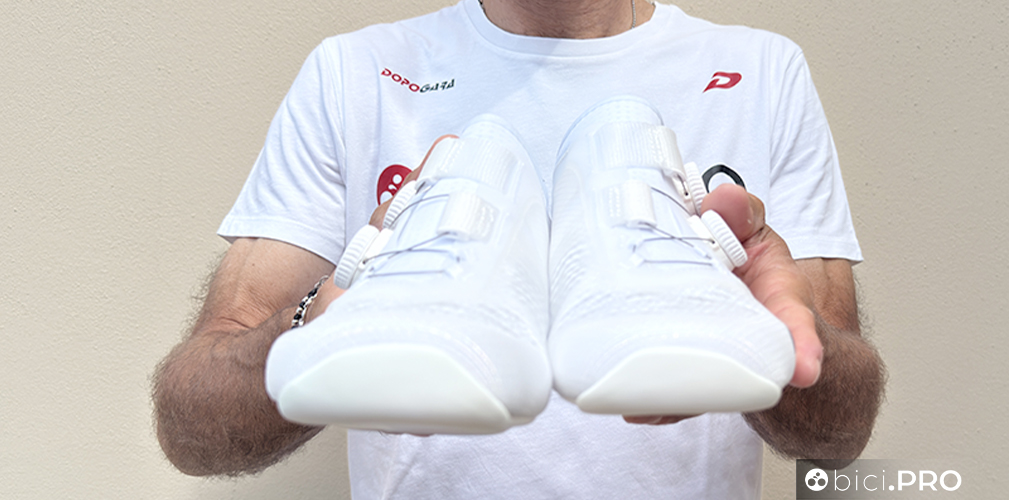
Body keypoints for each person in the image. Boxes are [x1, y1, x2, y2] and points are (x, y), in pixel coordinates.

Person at [152, 0, 885, 498]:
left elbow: (840, 433)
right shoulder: (357, 70)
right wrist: (325, 317)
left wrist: (775, 333)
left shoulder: (760, 70)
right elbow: (193, 423)